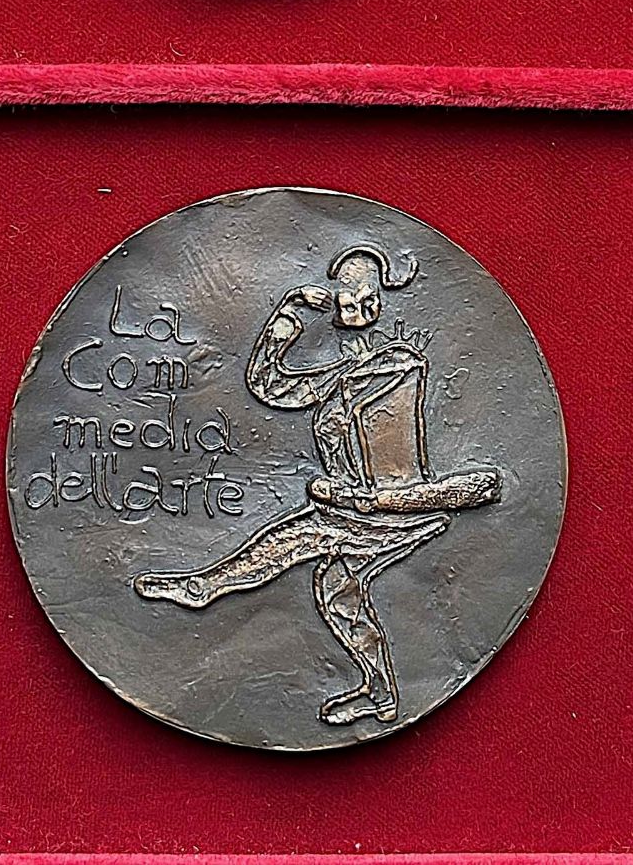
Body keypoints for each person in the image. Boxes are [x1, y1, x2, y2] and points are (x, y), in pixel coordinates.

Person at [133, 245, 500, 726]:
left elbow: (386, 389)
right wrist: (288, 316)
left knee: (291, 541)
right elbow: (269, 386)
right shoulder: (343, 376)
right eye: (344, 298)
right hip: (350, 510)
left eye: (362, 299)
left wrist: (368, 497)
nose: (352, 312)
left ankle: (205, 587)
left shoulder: (397, 366)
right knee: (338, 592)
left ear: (377, 301)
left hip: (388, 511)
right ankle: (382, 696)